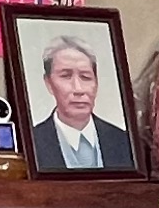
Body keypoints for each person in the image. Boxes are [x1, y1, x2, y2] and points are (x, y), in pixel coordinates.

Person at [26, 32, 123, 171]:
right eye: (66, 76)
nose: (78, 89)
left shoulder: (122, 141)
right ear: (48, 83)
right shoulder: (31, 143)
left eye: (85, 77)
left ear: (96, 83)